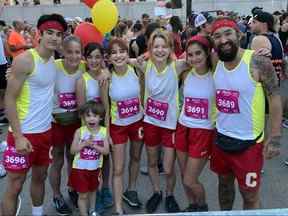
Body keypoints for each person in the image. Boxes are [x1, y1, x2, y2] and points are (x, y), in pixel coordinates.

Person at [210, 17, 282, 210]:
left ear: (239, 35)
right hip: (221, 138)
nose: (223, 40)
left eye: (228, 34)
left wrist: (275, 137)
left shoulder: (257, 62)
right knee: (224, 187)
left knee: (249, 195)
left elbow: (274, 98)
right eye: (217, 36)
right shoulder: (215, 60)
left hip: (249, 143)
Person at [2, 14, 67, 216]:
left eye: (58, 34)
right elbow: (9, 99)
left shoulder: (54, 61)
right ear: (39, 33)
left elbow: (78, 63)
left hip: (45, 133)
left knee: (40, 178)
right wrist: (19, 137)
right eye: (49, 33)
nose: (54, 38)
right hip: (22, 134)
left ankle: (37, 213)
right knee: (15, 185)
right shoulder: (24, 60)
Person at [131, 29, 188, 213]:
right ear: (150, 48)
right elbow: (121, 61)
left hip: (170, 125)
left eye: (164, 46)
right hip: (151, 123)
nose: (160, 50)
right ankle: (156, 192)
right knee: (153, 162)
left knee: (169, 168)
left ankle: (170, 194)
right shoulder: (144, 65)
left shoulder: (177, 66)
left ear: (171, 48)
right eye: (156, 47)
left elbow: (202, 57)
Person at [176, 35, 215, 212]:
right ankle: (192, 206)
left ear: (207, 53)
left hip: (203, 131)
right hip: (183, 127)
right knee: (184, 175)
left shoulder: (216, 75)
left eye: (198, 53)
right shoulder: (184, 73)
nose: (194, 58)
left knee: (190, 180)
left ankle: (202, 206)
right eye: (190, 55)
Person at [106, 38, 144, 215]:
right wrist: (106, 133)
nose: (118, 55)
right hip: (117, 126)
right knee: (118, 168)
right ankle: (119, 208)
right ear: (109, 57)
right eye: (113, 53)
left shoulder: (136, 69)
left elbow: (156, 60)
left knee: (136, 158)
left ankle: (132, 189)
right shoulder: (106, 76)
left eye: (122, 51)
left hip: (137, 122)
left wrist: (133, 61)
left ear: (127, 54)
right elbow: (106, 109)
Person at [49, 35, 85, 215]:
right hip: (56, 123)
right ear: (62, 51)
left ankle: (72, 189)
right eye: (69, 52)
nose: (73, 56)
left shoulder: (84, 67)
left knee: (72, 158)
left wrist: (104, 73)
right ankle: (56, 195)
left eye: (77, 52)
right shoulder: (53, 66)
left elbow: (100, 71)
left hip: (76, 123)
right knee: (57, 161)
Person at [76, 42, 113, 214]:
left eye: (98, 56)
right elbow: (82, 112)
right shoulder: (81, 81)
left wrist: (107, 133)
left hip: (103, 127)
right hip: (89, 129)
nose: (94, 60)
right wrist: (90, 137)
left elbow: (107, 107)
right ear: (85, 59)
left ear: (103, 58)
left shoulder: (106, 76)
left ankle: (105, 189)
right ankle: (95, 194)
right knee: (92, 165)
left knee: (106, 161)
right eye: (90, 57)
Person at [69, 101, 109, 216]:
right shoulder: (80, 132)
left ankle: (92, 211)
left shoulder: (103, 132)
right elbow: (72, 150)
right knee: (83, 195)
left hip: (95, 169)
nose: (91, 119)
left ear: (100, 118)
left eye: (95, 116)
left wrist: (94, 145)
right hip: (80, 169)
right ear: (83, 117)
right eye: (88, 116)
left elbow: (106, 151)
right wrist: (84, 144)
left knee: (93, 192)